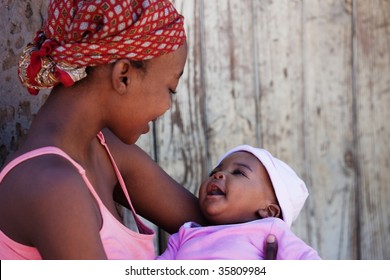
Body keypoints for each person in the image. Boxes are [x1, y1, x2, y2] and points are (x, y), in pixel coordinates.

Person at [0, 0, 277, 260]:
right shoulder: (54, 187)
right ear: (123, 76)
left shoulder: (106, 150)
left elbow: (223, 227)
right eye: (170, 89)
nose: (168, 106)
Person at [157, 145, 321, 260]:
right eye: (215, 171)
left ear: (269, 211)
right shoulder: (185, 234)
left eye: (238, 172)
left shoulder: (270, 232)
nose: (218, 175)